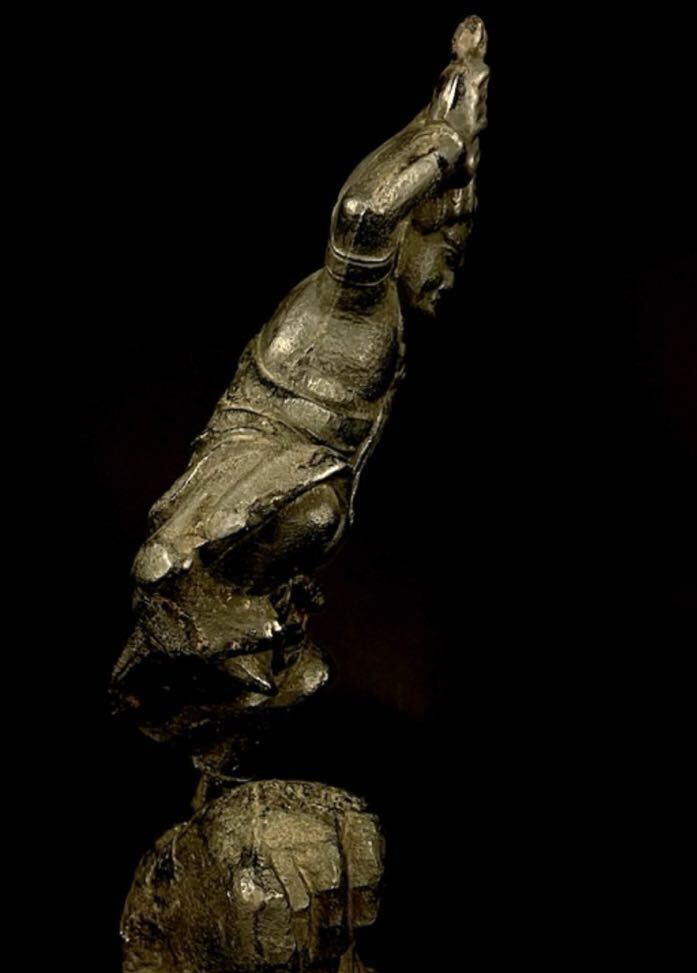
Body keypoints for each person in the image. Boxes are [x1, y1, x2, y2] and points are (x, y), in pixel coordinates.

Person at [113, 18, 488, 778]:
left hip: (287, 513)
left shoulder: (386, 321)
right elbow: (362, 213)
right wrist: (442, 148)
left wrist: (450, 116)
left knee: (296, 656)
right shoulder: (353, 298)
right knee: (307, 520)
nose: (450, 277)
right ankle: (196, 626)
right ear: (415, 236)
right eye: (446, 254)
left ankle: (228, 705)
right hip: (256, 471)